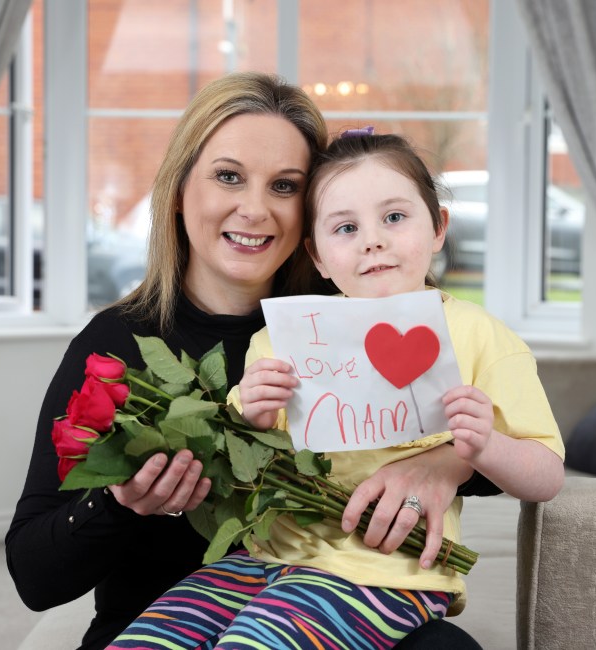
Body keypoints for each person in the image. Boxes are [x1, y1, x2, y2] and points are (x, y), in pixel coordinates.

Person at [6, 74, 488, 650]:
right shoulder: (118, 341)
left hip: (336, 617)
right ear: (180, 189)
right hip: (162, 625)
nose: (255, 209)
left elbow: (511, 431)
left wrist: (446, 462)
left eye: (285, 186)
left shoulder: (360, 311)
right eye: (229, 176)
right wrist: (120, 504)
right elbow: (35, 576)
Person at [108, 130, 565, 649]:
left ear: (438, 227)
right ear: (318, 257)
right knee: (145, 640)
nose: (373, 239)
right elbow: (239, 462)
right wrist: (251, 412)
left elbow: (546, 474)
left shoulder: (482, 337)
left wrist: (483, 447)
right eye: (345, 228)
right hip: (263, 558)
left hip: (386, 573)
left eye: (394, 217)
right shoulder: (285, 339)